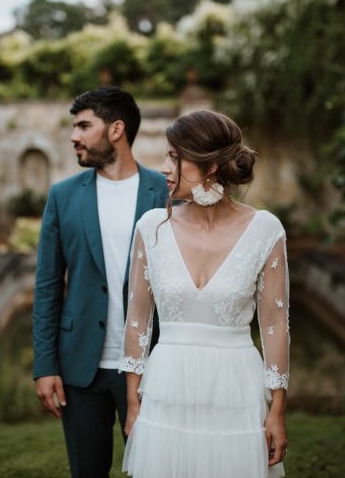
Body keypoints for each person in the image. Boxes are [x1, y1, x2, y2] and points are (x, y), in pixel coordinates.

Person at [119, 110, 290, 478]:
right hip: (167, 385)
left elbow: (275, 326)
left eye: (174, 157)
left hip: (235, 387)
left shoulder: (265, 230)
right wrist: (133, 400)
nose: (164, 167)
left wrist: (277, 410)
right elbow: (137, 320)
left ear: (210, 166)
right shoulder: (151, 228)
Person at [32, 86, 169, 478]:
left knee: (153, 471)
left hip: (150, 365)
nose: (74, 136)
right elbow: (46, 286)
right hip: (79, 369)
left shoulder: (164, 192)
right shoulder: (62, 196)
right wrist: (45, 365)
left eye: (83, 126)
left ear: (116, 130)